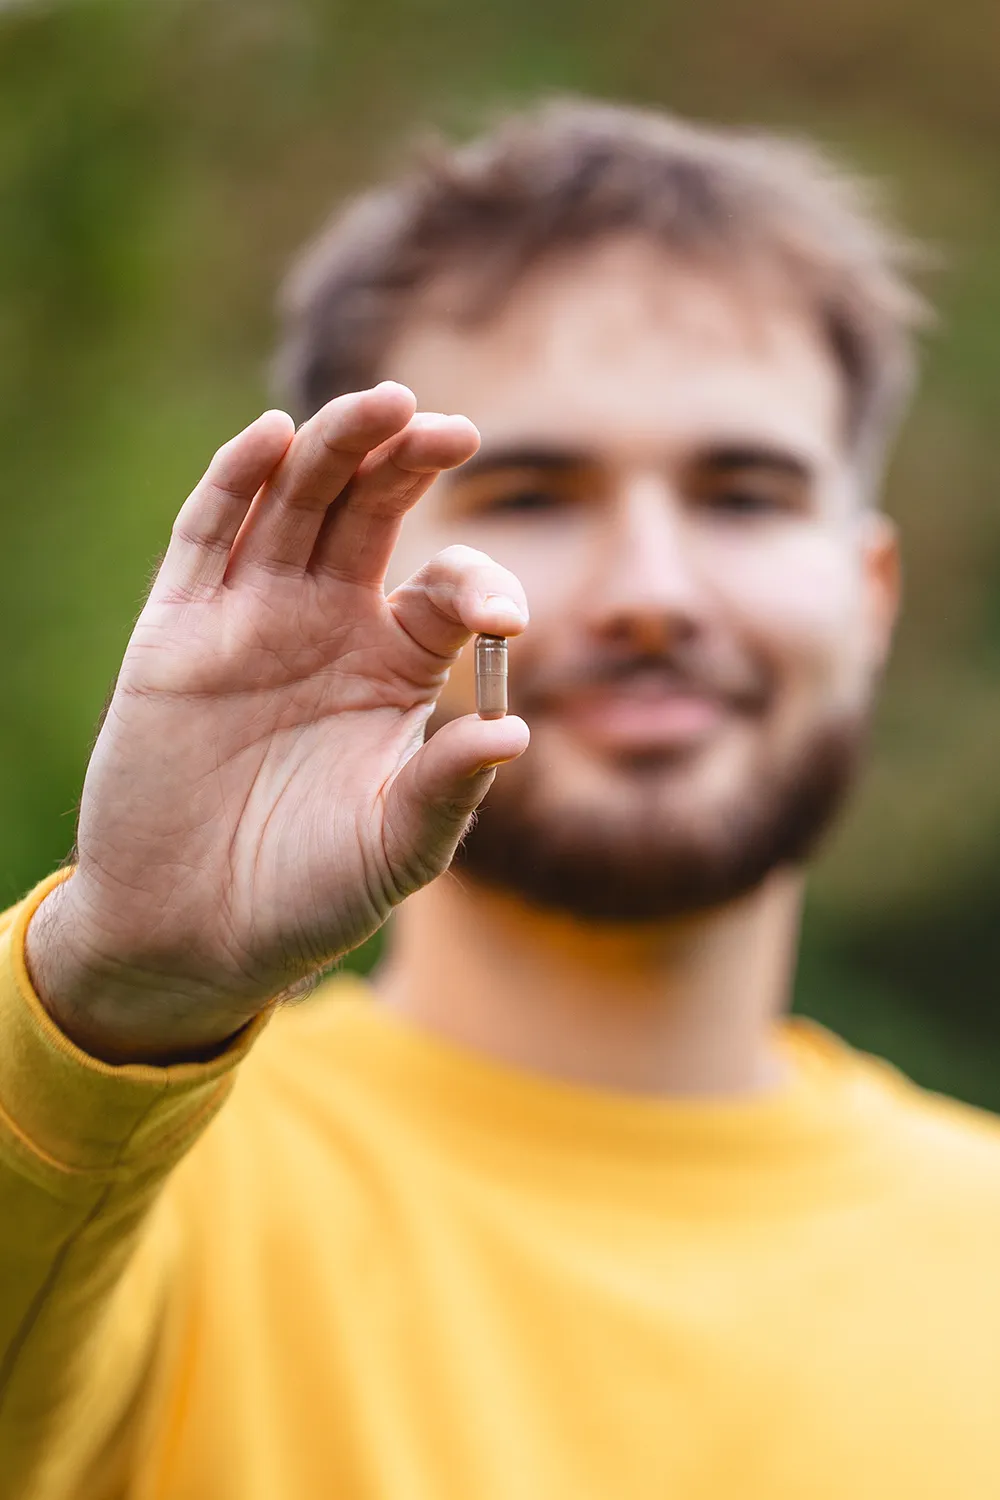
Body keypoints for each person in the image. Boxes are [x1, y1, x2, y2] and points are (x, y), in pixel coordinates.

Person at [2, 98, 999, 1500]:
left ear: (870, 594)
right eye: (534, 492)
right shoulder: (111, 1169)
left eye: (744, 494)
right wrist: (125, 984)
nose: (653, 591)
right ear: (351, 571)